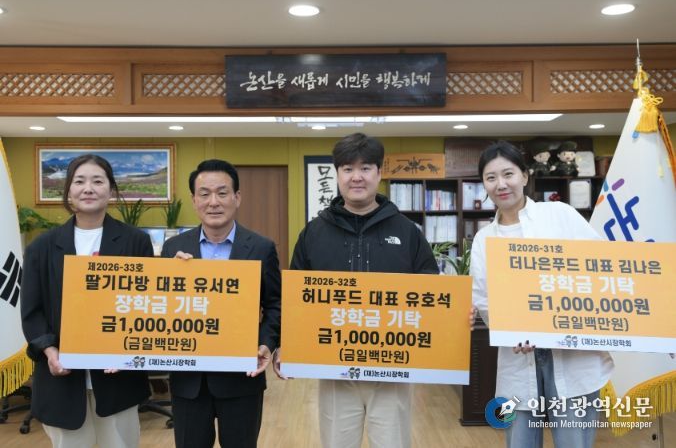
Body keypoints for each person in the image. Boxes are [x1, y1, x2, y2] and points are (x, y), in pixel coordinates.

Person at [275, 133, 438, 448]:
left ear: (379, 172)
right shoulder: (314, 232)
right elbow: (295, 297)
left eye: (365, 168)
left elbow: (432, 291)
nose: (356, 177)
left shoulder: (407, 231)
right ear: (337, 174)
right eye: (348, 169)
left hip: (393, 369)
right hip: (334, 370)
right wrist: (287, 345)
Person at [470, 141, 614, 448]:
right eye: (491, 178)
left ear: (524, 176)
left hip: (573, 356)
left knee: (574, 443)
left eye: (508, 174)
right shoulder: (484, 239)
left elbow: (600, 268)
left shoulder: (559, 214)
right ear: (484, 185)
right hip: (518, 356)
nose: (501, 184)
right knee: (520, 441)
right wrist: (511, 329)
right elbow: (482, 298)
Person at [21, 154, 153, 448]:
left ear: (111, 189)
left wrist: (126, 348)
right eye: (79, 181)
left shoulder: (136, 242)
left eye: (97, 181)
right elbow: (32, 311)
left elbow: (146, 304)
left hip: (119, 381)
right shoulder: (42, 247)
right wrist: (50, 351)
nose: (88, 188)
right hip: (61, 379)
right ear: (68, 190)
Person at [161, 159, 281, 448]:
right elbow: (158, 306)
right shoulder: (173, 249)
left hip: (242, 377)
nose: (213, 202)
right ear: (194, 200)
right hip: (188, 381)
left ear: (237, 198)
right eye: (204, 194)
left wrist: (266, 343)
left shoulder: (261, 248)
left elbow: (276, 303)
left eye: (222, 193)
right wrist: (173, 278)